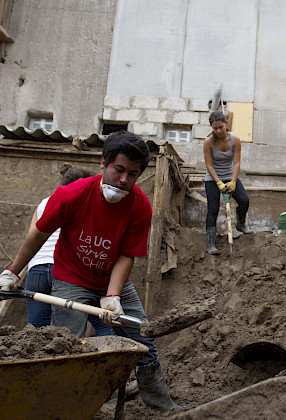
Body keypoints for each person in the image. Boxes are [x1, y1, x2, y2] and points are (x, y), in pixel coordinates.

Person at [0, 131, 180, 412]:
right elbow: (39, 234)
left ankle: (162, 407)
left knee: (143, 339)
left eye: (132, 174)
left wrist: (113, 294)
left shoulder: (140, 206)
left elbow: (126, 255)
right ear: (103, 163)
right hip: (71, 277)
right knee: (65, 345)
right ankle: (60, 407)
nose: (124, 180)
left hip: (111, 278)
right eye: (118, 170)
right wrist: (13, 271)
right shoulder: (72, 194)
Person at [25, 166, 112, 336]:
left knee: (36, 331)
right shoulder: (87, 204)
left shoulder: (44, 203)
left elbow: (33, 237)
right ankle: (109, 359)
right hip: (67, 272)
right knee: (103, 323)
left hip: (37, 270)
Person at [203, 110, 251, 254]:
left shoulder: (234, 140)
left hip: (230, 176)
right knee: (213, 208)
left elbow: (236, 164)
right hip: (213, 179)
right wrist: (218, 183)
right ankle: (211, 244)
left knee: (244, 200)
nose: (218, 131)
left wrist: (233, 182)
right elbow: (209, 165)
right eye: (215, 128)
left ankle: (241, 224)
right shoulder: (208, 142)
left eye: (221, 127)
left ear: (226, 124)